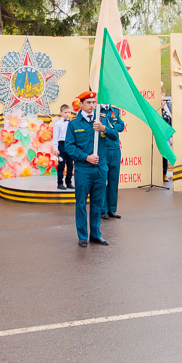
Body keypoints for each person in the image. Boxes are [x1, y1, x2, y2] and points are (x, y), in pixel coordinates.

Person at [64, 91, 118, 247]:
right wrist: (86, 157)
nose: (92, 105)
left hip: (100, 169)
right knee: (81, 203)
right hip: (84, 169)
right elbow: (69, 146)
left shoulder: (102, 119)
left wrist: (104, 128)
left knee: (98, 203)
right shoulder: (74, 123)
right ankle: (83, 236)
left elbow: (115, 135)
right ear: (81, 104)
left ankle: (96, 234)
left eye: (94, 102)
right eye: (88, 102)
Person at [101, 104, 125, 220]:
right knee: (103, 181)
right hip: (103, 148)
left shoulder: (115, 110)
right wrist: (112, 128)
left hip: (115, 149)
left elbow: (121, 126)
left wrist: (109, 127)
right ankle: (103, 210)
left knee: (114, 180)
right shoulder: (96, 110)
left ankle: (112, 209)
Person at [53, 104, 74, 190]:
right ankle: (60, 183)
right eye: (65, 112)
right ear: (61, 113)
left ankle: (68, 182)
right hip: (62, 144)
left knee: (70, 165)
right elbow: (55, 137)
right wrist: (56, 149)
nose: (68, 114)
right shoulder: (58, 124)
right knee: (61, 165)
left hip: (71, 144)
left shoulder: (72, 123)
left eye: (69, 112)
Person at [161, 94, 173, 182]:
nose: (162, 102)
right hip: (158, 136)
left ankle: (164, 174)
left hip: (165, 137)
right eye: (161, 101)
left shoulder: (166, 111)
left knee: (165, 156)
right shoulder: (156, 112)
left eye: (163, 101)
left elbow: (170, 122)